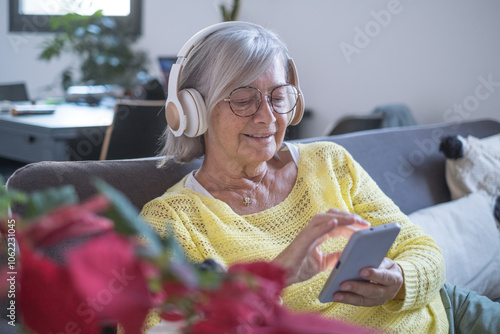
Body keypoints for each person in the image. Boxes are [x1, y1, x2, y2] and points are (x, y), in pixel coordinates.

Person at [140, 21, 500, 333]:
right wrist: (274, 277)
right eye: (243, 99)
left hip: (447, 314)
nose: (267, 117)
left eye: (278, 96)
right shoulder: (172, 222)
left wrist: (401, 282)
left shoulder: (328, 162)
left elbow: (423, 249)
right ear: (193, 111)